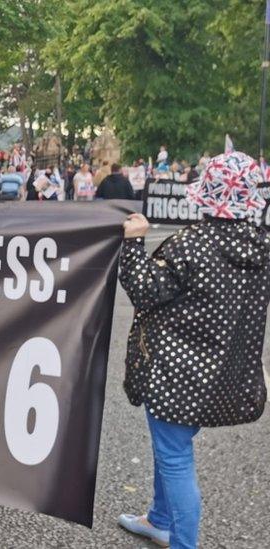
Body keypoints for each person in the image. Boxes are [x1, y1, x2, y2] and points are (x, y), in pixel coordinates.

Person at [117, 151, 269, 549]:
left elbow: (146, 290)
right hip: (221, 378)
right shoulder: (261, 247)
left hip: (176, 376)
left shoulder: (192, 244)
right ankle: (159, 519)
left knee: (174, 458)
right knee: (171, 448)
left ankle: (181, 540)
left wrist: (133, 243)